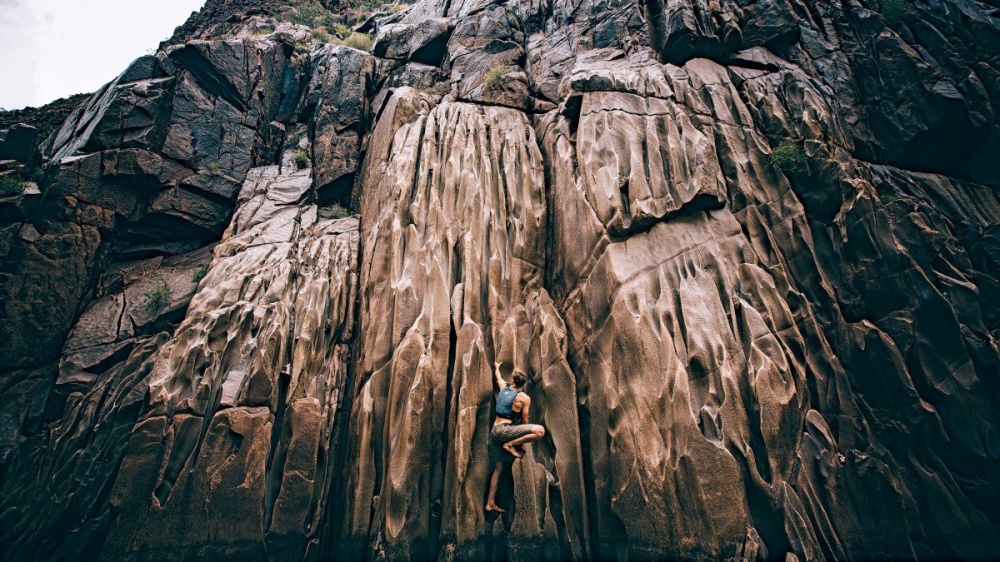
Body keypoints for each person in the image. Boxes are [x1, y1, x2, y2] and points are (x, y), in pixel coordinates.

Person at [485, 361, 545, 513]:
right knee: (540, 431)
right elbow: (525, 420)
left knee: (498, 468)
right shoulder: (523, 398)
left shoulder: (503, 388)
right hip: (505, 431)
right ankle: (510, 445)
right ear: (523, 383)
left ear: (512, 379)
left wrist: (497, 367)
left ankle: (490, 503)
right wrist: (521, 436)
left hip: (495, 433)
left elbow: (498, 377)